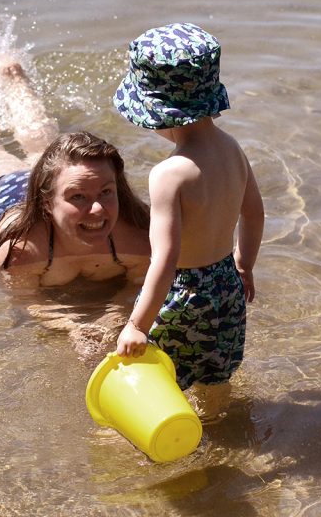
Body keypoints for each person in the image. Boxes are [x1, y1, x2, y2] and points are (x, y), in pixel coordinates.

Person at [0, 56, 152, 361]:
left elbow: (141, 285)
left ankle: (12, 76)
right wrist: (73, 325)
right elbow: (26, 298)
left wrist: (109, 320)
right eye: (79, 198)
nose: (97, 210)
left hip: (58, 184)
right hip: (5, 194)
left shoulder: (137, 235)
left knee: (43, 148)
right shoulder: (21, 247)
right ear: (46, 201)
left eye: (106, 193)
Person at [111, 22, 264, 420]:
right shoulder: (233, 149)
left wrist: (137, 325)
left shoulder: (170, 174)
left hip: (186, 292)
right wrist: (244, 264)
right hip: (226, 282)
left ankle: (170, 437)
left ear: (160, 113)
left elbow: (165, 258)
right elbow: (254, 212)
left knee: (157, 377)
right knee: (216, 371)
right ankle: (219, 424)